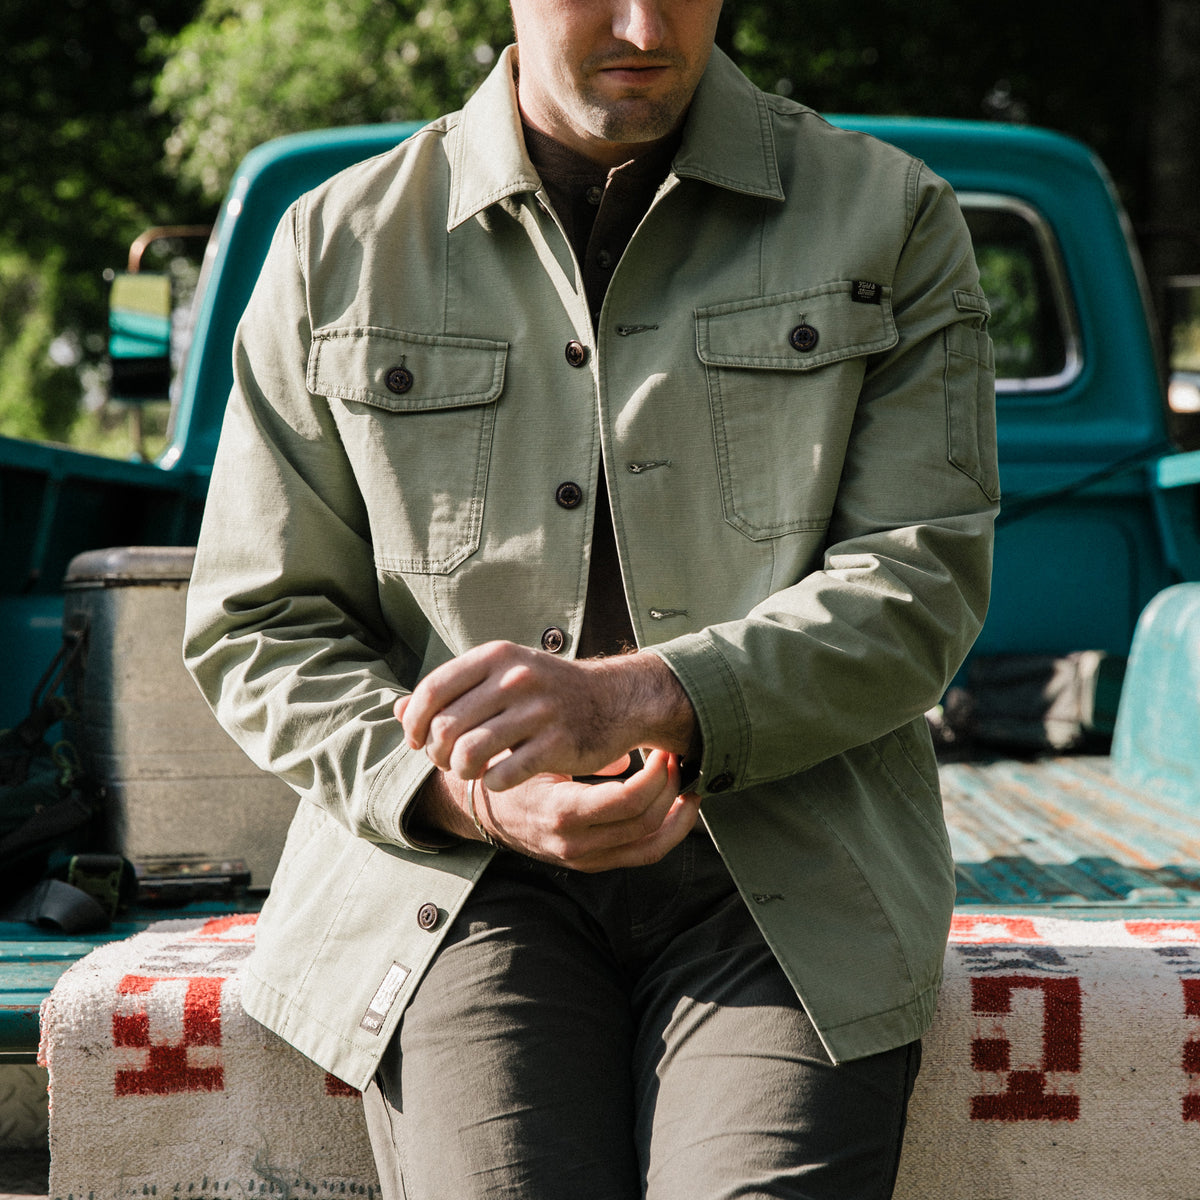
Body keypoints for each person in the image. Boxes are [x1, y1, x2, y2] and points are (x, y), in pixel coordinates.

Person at [183, 0, 998, 1195]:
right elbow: (260, 624)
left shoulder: (891, 215)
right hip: (458, 888)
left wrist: (633, 701)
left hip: (788, 882)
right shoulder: (335, 243)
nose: (643, 26)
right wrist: (466, 793)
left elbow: (918, 584)